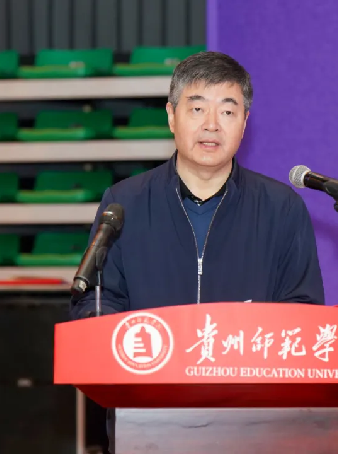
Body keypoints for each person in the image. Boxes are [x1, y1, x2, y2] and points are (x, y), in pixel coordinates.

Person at [70, 51, 324, 318]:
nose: (211, 125)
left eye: (227, 112)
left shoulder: (281, 208)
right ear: (171, 116)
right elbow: (97, 299)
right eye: (197, 109)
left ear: (244, 123)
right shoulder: (124, 204)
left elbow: (303, 307)